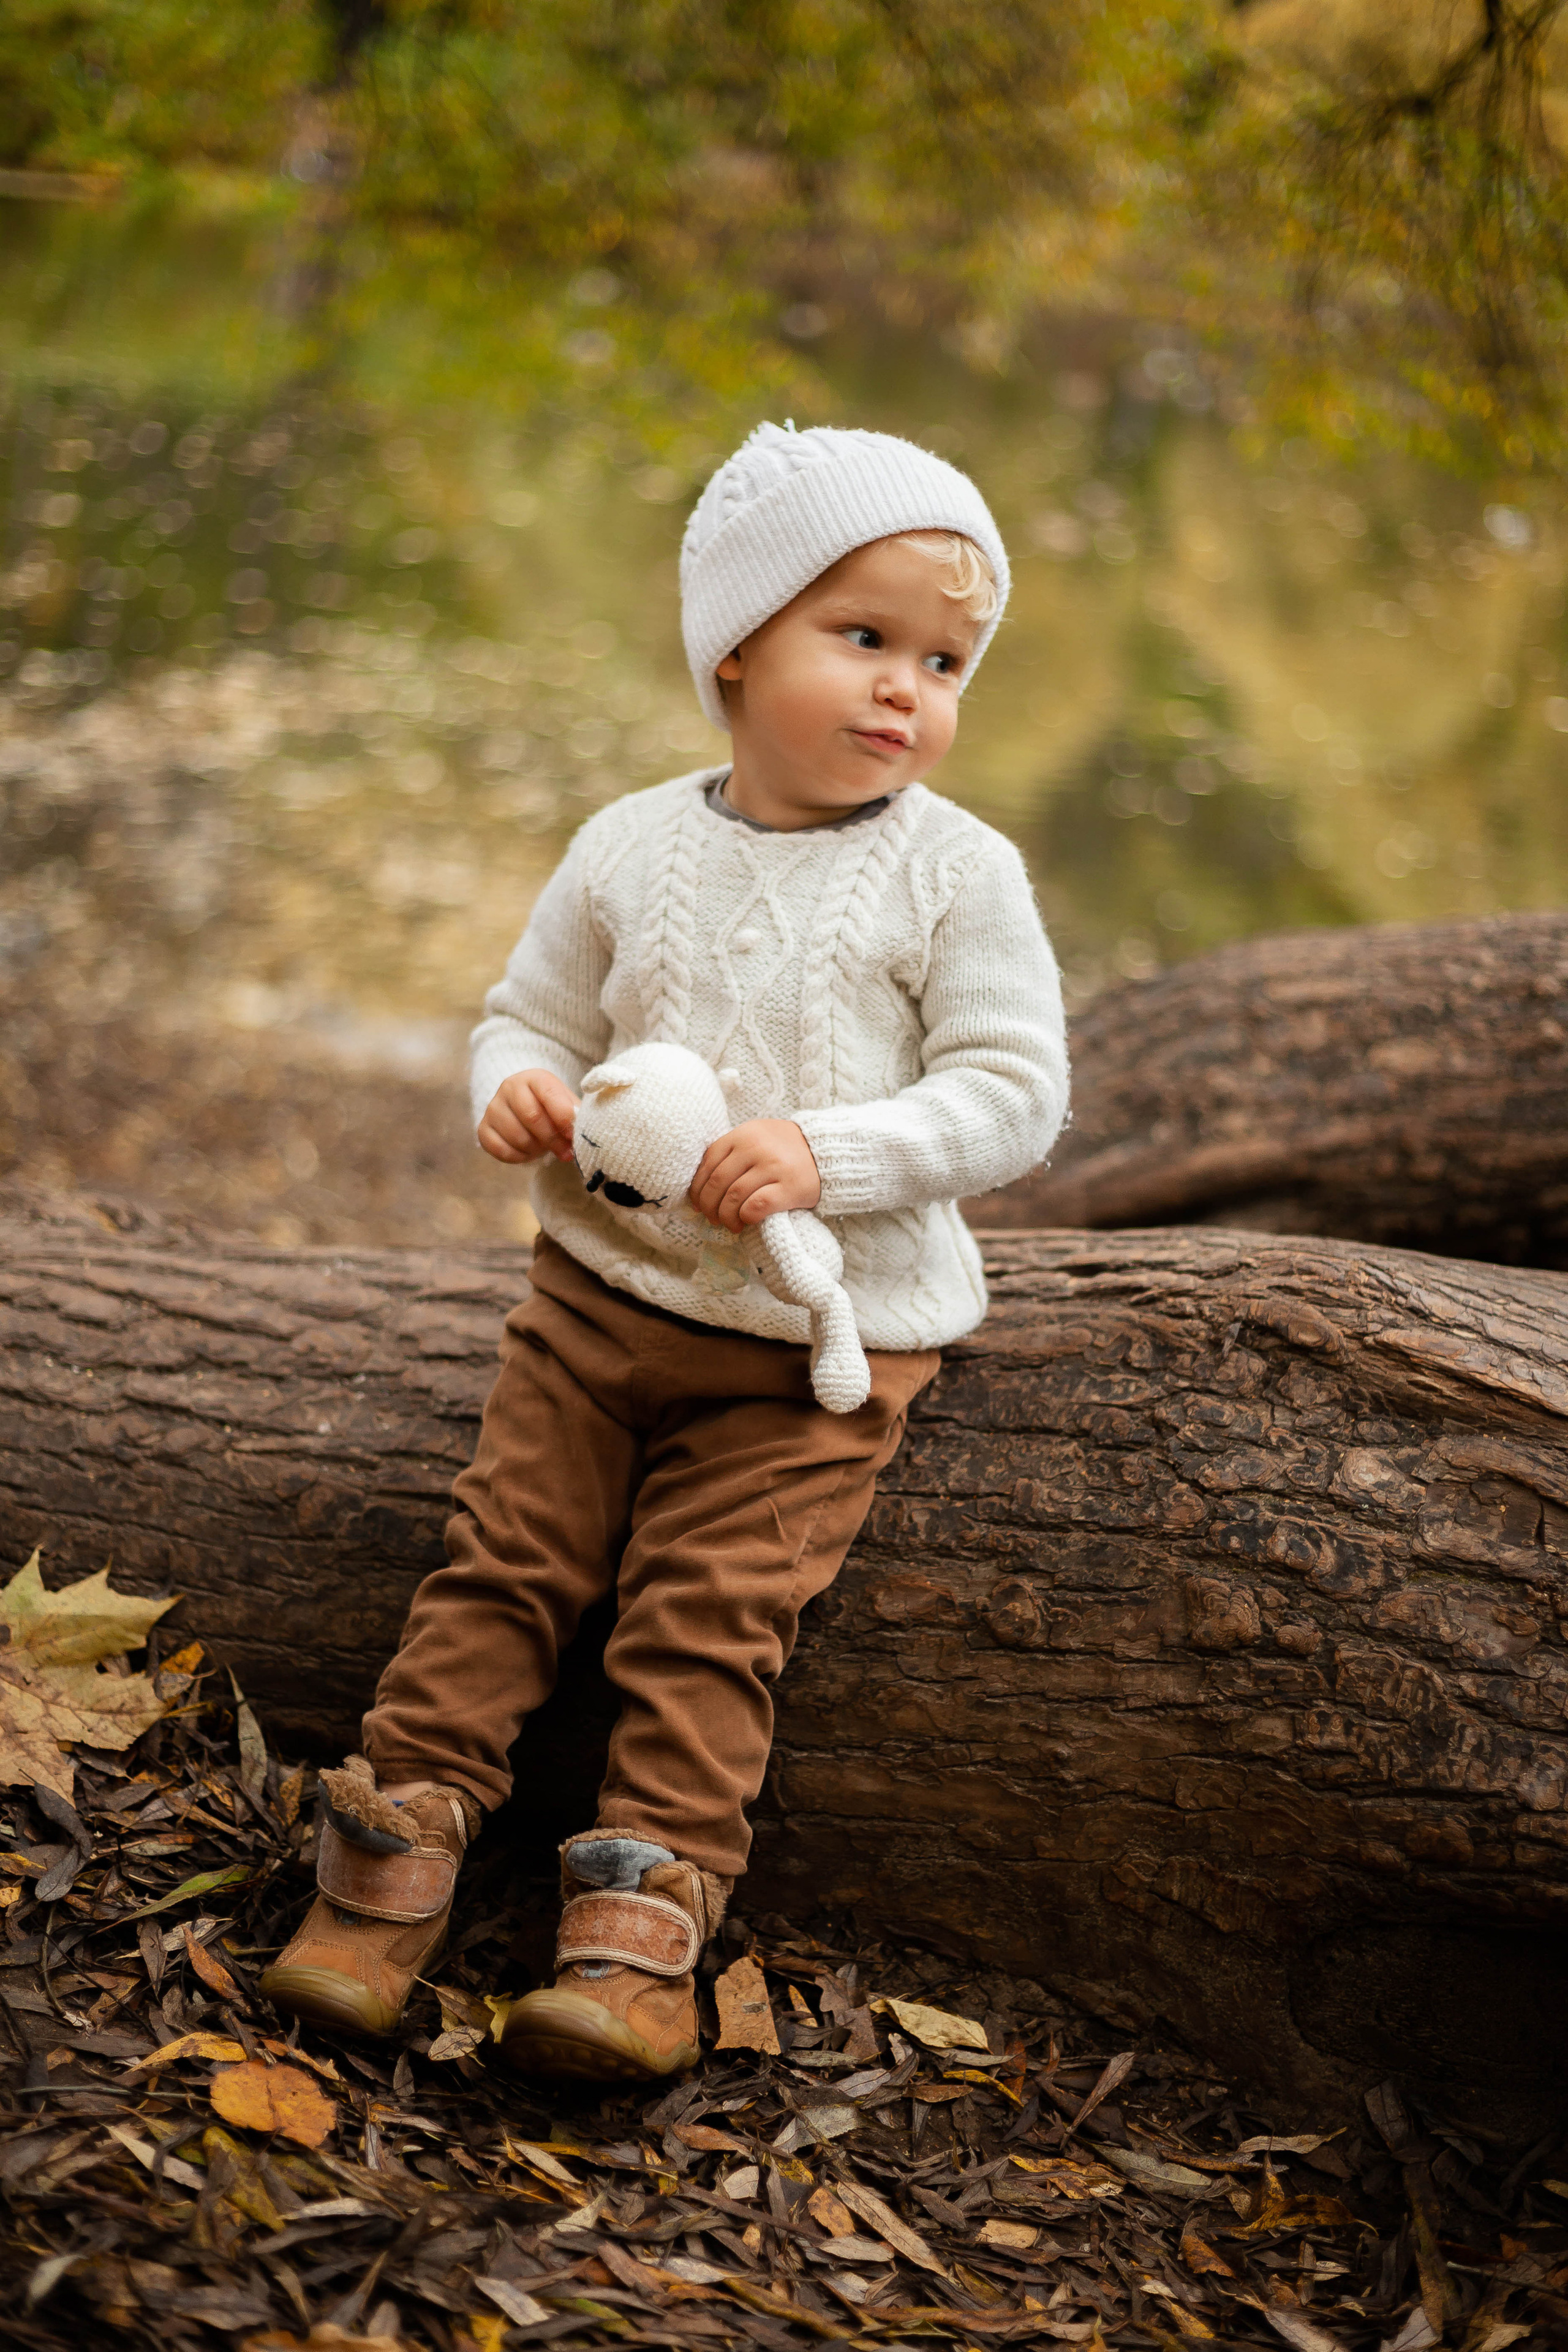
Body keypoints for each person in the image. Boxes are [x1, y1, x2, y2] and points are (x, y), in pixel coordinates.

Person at [262, 421, 1069, 2081]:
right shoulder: (629, 844)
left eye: (947, 659)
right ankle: (386, 1874)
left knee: (705, 1619)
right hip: (595, 1308)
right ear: (734, 647)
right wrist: (517, 1090)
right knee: (502, 1561)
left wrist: (829, 1155)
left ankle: (634, 1945)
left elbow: (1013, 1095)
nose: (908, 689)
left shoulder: (959, 874)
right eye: (865, 640)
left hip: (804, 1354)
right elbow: (524, 1015)